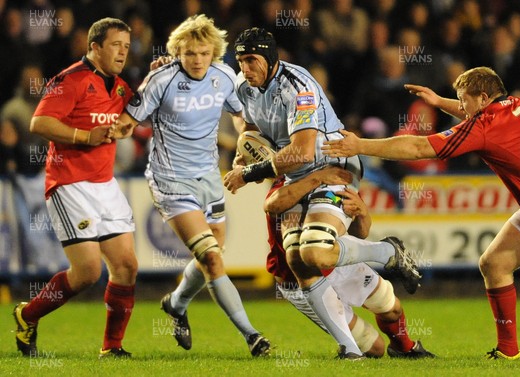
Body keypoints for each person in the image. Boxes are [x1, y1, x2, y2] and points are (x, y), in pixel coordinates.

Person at [323, 66, 520, 359]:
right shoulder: (514, 105)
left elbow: (420, 148)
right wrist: (440, 101)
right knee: (494, 264)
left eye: (463, 100)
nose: (462, 107)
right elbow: (472, 115)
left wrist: (359, 145)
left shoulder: (486, 126)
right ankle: (508, 352)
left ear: (482, 98)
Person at [223, 27, 421, 359]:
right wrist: (248, 151)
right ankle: (349, 351)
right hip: (294, 175)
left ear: (271, 59)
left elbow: (300, 151)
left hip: (332, 167)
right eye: (241, 60)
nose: (246, 68)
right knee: (298, 258)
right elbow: (251, 130)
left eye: (252, 60)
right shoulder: (245, 88)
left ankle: (387, 253)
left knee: (314, 253)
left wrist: (248, 172)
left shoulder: (299, 88)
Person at [109, 15, 270, 357]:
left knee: (212, 254)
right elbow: (127, 121)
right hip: (170, 180)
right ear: (177, 52)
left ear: (214, 52)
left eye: (203, 53)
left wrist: (246, 135)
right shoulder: (161, 78)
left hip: (209, 177)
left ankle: (177, 303)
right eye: (189, 53)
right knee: (212, 258)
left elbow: (242, 115)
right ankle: (252, 335)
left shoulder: (226, 77)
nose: (197, 60)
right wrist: (104, 132)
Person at [14, 18, 137, 359]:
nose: (122, 52)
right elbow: (39, 122)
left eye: (126, 47)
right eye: (115, 45)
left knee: (126, 266)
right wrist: (84, 136)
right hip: (69, 183)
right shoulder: (70, 80)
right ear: (95, 46)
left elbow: (132, 114)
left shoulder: (122, 88)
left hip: (104, 184)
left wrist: (124, 127)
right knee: (87, 272)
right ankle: (27, 315)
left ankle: (111, 348)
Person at [264, 166, 434, 359]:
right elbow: (273, 205)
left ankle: (405, 348)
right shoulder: (284, 189)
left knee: (391, 308)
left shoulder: (336, 182)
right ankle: (349, 349)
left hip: (338, 264)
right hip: (299, 280)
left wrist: (362, 212)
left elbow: (360, 232)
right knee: (374, 348)